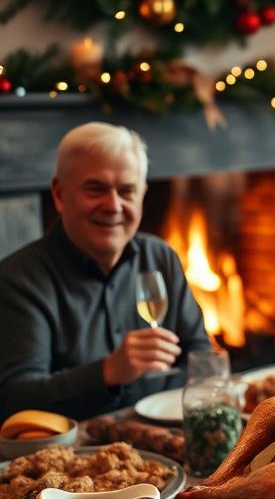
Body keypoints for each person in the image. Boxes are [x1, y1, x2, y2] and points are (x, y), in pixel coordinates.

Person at [0, 122, 210, 422]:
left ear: (142, 196)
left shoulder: (161, 257)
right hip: (74, 457)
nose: (113, 205)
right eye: (95, 189)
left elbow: (199, 356)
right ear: (59, 194)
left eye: (126, 191)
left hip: (165, 434)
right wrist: (108, 372)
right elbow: (14, 400)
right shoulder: (19, 280)